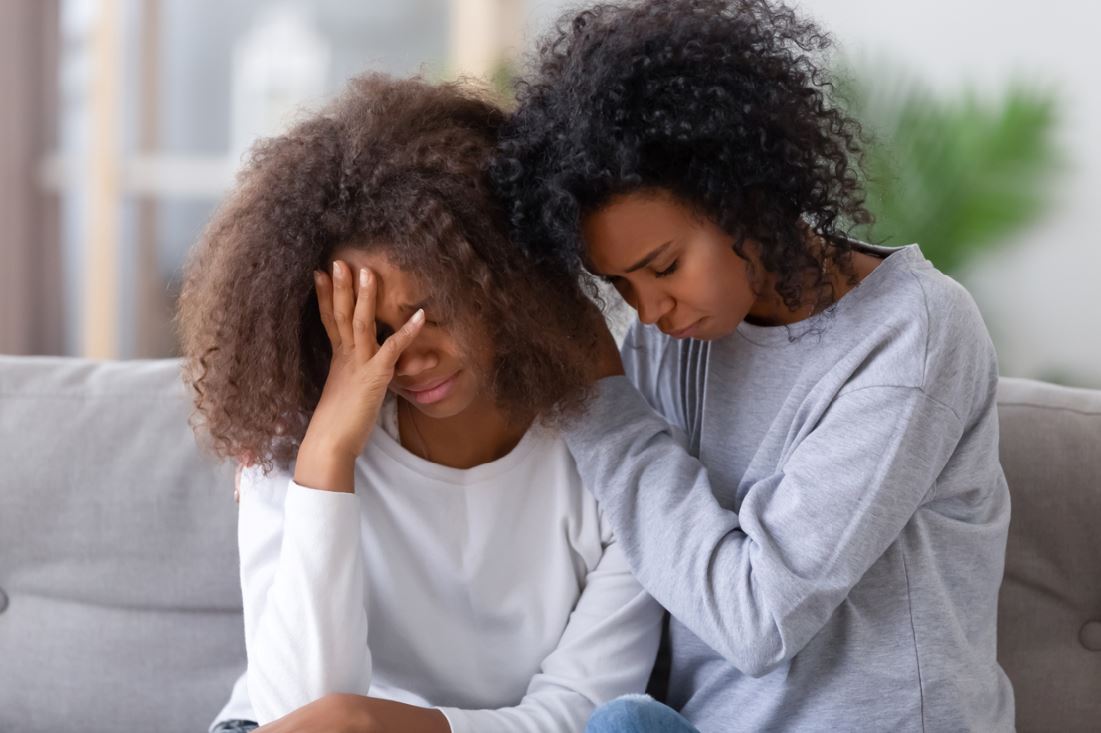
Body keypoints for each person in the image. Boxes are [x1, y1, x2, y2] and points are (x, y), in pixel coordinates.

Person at [491, 1, 1016, 730]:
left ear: (743, 195)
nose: (647, 311)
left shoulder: (911, 334)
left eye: (664, 266)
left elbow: (757, 619)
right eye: (619, 285)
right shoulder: (669, 338)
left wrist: (602, 405)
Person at [177, 73, 662, 733]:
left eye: (430, 312)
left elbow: (584, 712)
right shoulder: (296, 440)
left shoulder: (611, 457)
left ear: (503, 282)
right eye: (370, 332)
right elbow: (301, 715)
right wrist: (327, 459)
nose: (409, 356)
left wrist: (381, 724)